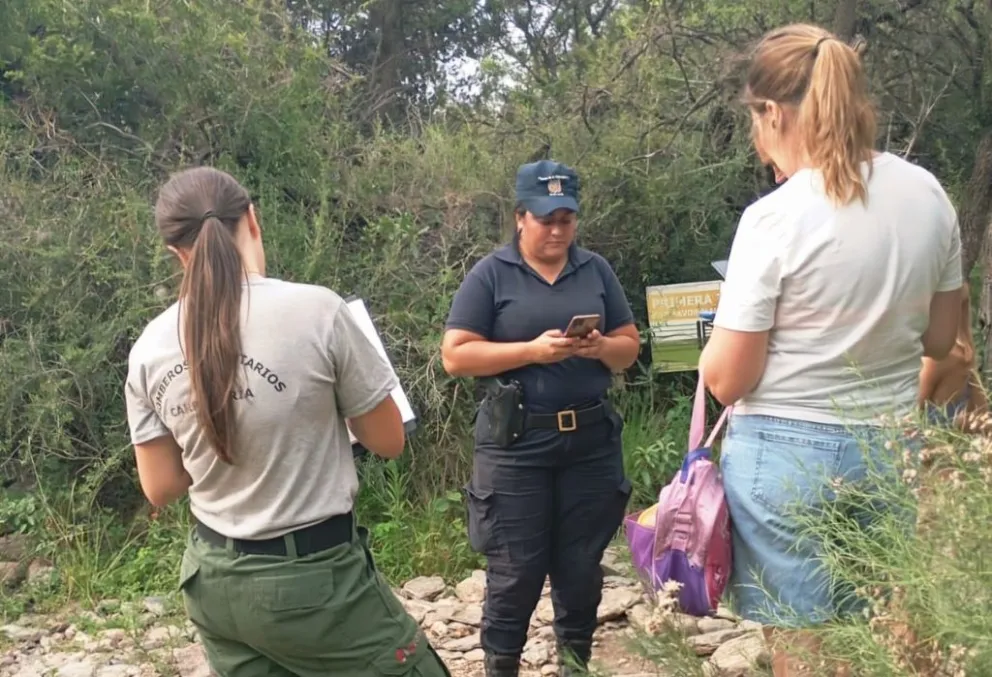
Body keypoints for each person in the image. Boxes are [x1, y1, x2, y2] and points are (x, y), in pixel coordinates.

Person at [698, 24, 963, 677]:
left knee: (804, 654)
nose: (760, 148)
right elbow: (941, 342)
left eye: (756, 125)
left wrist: (709, 354)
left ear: (774, 113)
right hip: (887, 448)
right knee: (889, 644)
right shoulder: (927, 196)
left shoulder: (773, 219)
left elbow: (730, 379)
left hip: (785, 464)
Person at [123, 166, 451, 677]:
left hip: (213, 583)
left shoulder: (149, 347)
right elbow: (387, 441)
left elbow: (161, 487)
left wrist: (217, 428)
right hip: (313, 583)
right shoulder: (318, 311)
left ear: (176, 252)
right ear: (252, 219)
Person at [440, 160, 640, 677]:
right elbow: (456, 356)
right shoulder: (491, 274)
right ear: (520, 218)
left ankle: (575, 664)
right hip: (517, 444)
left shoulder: (594, 269)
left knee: (580, 569)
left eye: (566, 219)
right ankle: (501, 665)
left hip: (590, 442)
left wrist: (599, 348)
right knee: (516, 569)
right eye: (546, 219)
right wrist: (529, 351)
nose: (557, 230)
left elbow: (629, 349)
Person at [919, 281, 987, 425]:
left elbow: (905, 416)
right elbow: (984, 419)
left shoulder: (936, 359)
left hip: (922, 445)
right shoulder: (966, 355)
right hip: (950, 445)